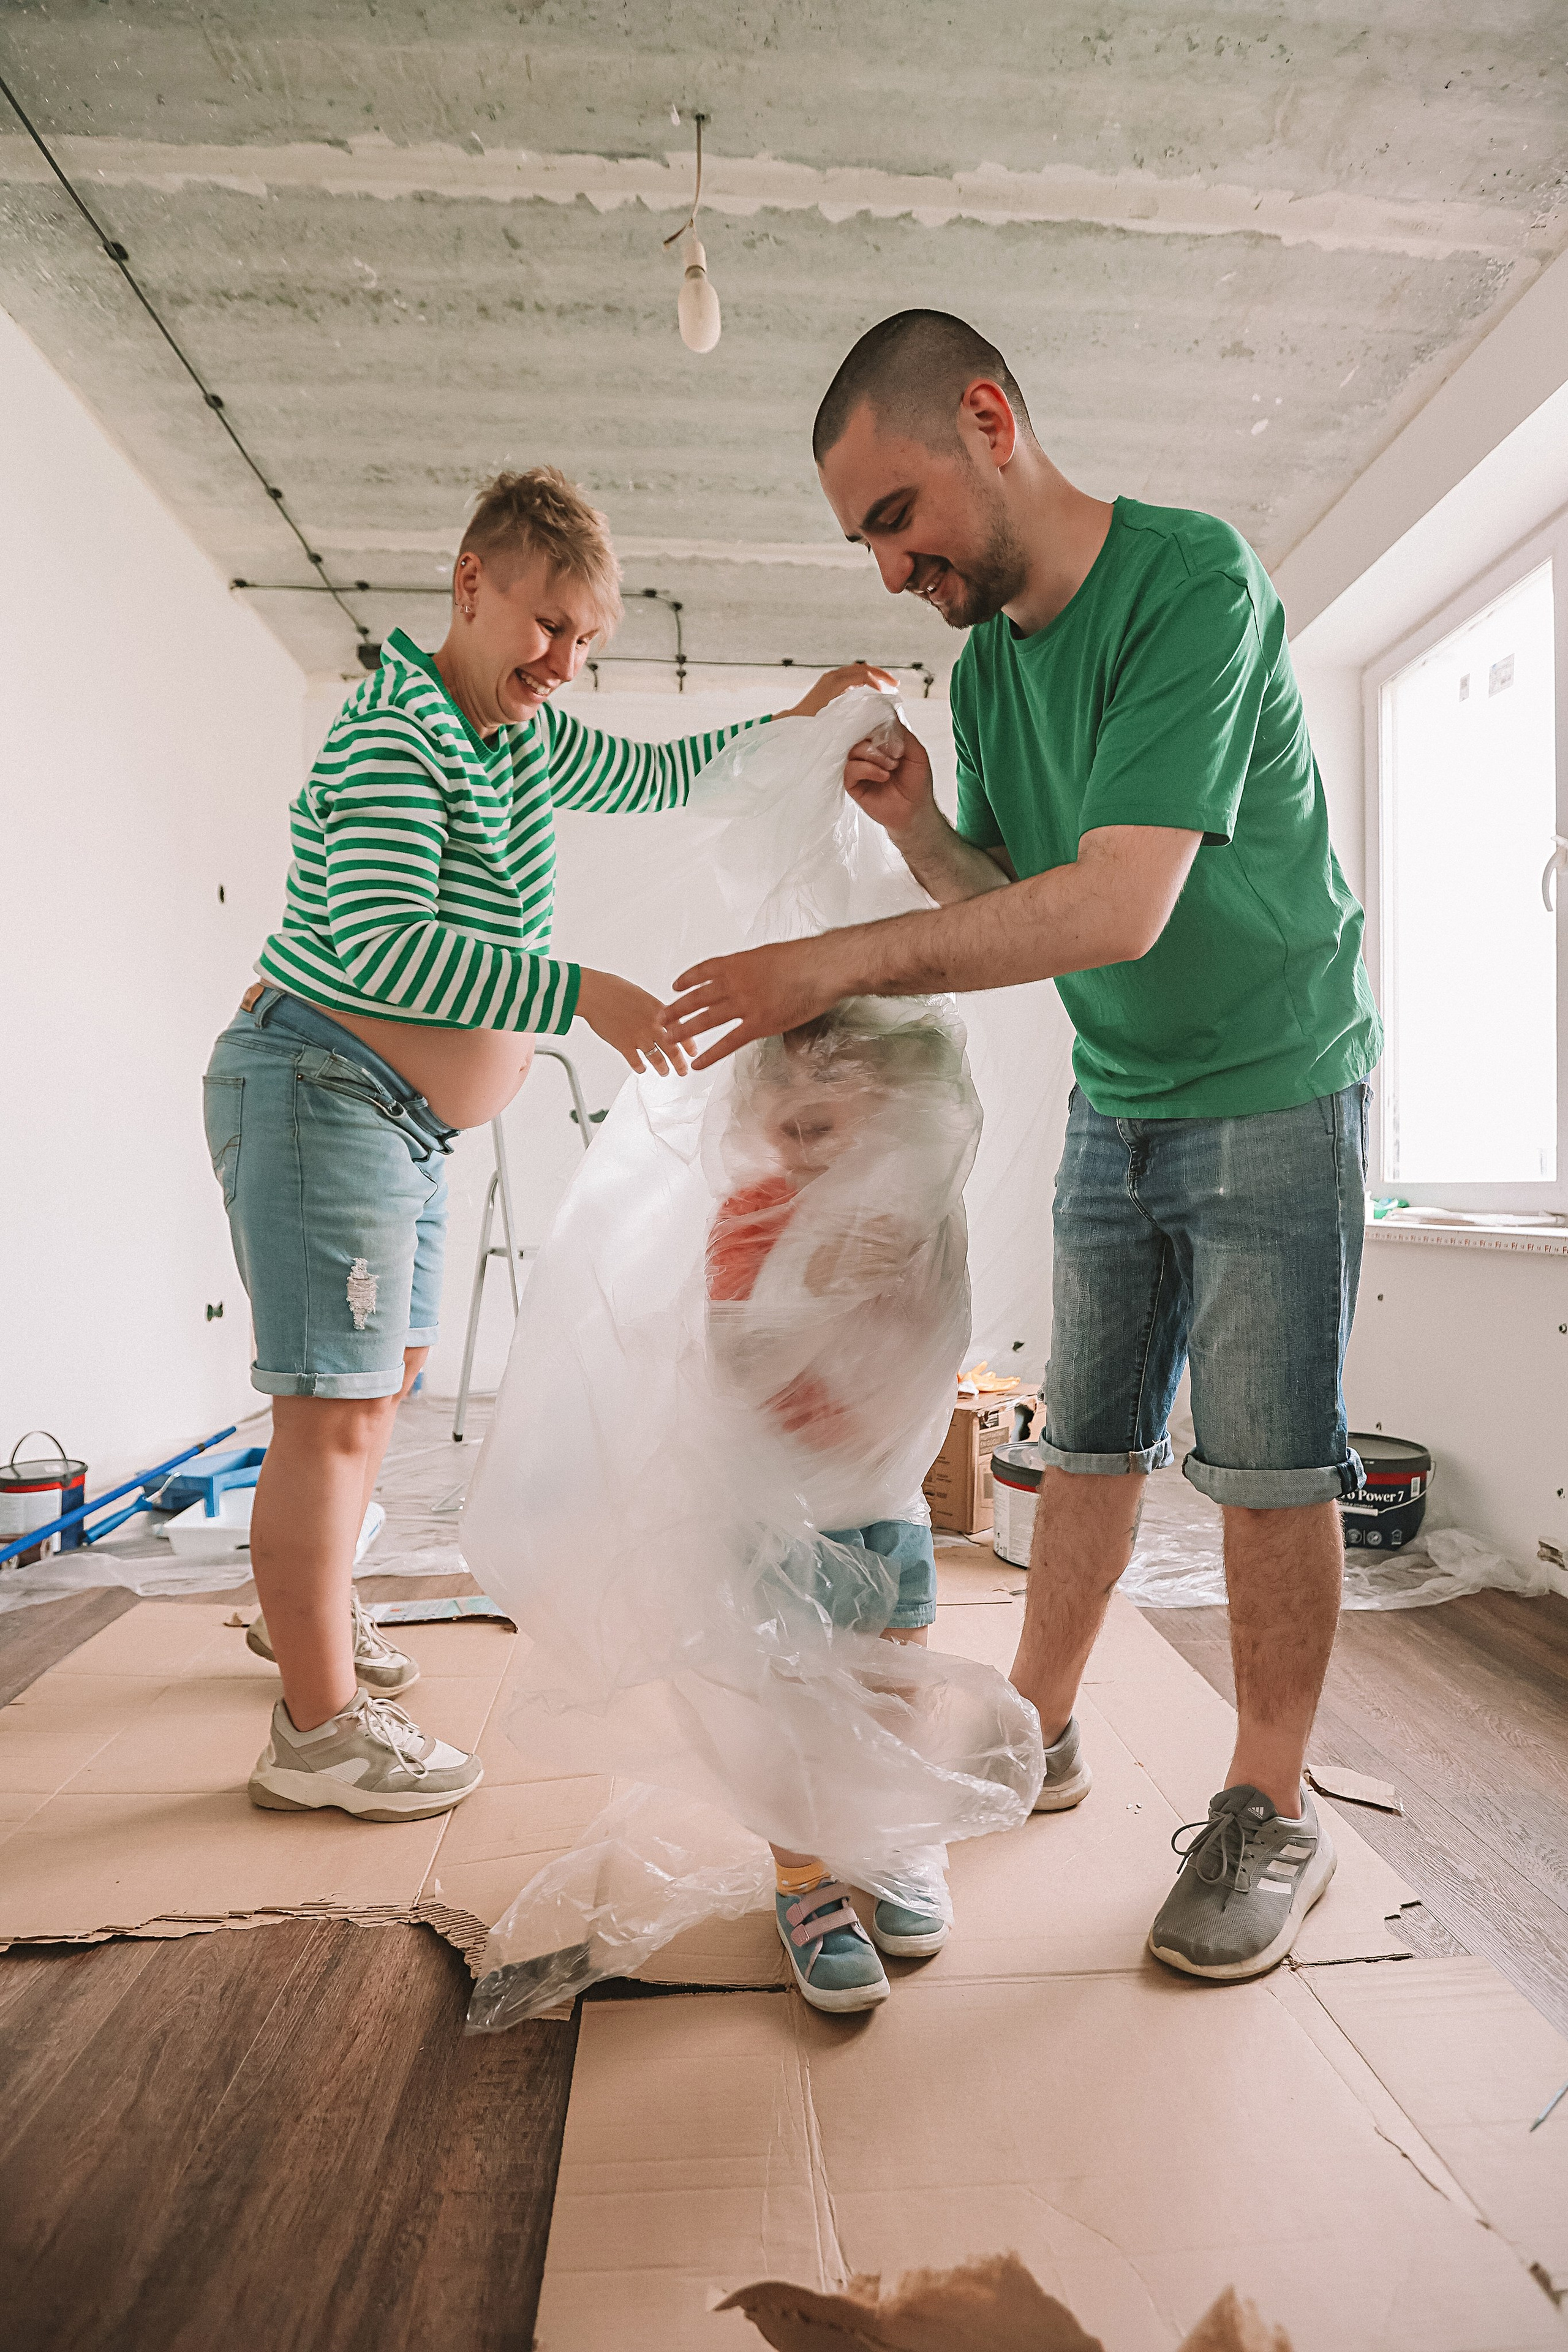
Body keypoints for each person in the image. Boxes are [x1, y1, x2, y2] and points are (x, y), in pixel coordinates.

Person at [662, 312, 1382, 1983]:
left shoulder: (1193, 584)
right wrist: (920, 828)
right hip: (1122, 1093)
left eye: (896, 513)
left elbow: (1124, 904)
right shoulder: (990, 675)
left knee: (1270, 1463)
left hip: (1280, 1075)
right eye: (866, 540)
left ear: (990, 420)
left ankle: (1269, 1806)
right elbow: (1022, 923)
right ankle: (1037, 1728)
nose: (890, 563)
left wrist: (828, 965)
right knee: (1090, 1441)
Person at [203, 463, 886, 1825]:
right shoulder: (401, 733)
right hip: (319, 1089)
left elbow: (653, 773)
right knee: (331, 1418)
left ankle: (308, 1629)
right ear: (471, 584)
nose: (562, 662)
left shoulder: (512, 735)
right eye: (544, 625)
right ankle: (317, 1728)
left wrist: (791, 728)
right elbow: (389, 946)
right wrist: (580, 991)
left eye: (585, 640)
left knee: (379, 1383)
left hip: (387, 1116)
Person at [704, 1001, 974, 2012]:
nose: (804, 1152)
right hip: (782, 1509)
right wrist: (814, 1271)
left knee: (899, 1680)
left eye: (828, 1128)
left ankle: (898, 1840)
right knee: (791, 1703)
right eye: (788, 1130)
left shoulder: (914, 1214)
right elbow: (736, 1358)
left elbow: (933, 1344)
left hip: (887, 1496)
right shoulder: (754, 1215)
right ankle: (805, 1878)